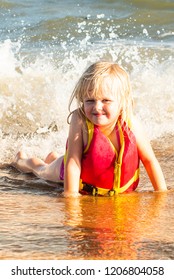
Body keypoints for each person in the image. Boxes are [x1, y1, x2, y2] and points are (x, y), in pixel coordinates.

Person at [12, 61, 167, 196]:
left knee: (52, 161)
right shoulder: (79, 119)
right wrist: (71, 195)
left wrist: (161, 192)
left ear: (122, 102)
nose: (97, 107)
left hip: (97, 178)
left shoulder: (130, 122)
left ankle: (53, 157)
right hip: (66, 171)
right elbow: (73, 161)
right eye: (90, 100)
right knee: (41, 170)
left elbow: (149, 160)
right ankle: (22, 160)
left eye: (106, 100)